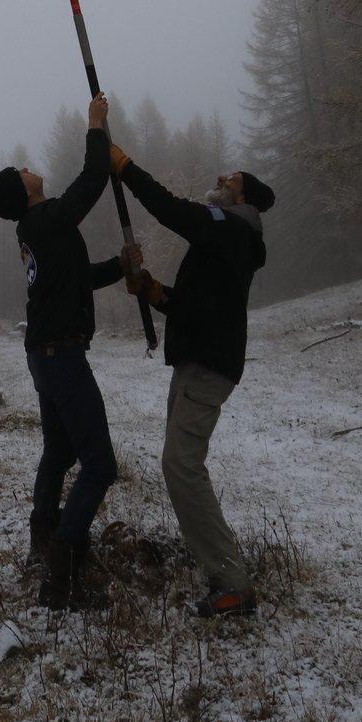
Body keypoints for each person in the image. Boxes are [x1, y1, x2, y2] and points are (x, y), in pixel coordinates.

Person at [0, 93, 126, 609]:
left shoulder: (40, 229)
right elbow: (92, 182)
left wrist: (123, 266)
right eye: (21, 168)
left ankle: (44, 538)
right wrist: (96, 126)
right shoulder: (44, 222)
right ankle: (63, 574)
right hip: (59, 356)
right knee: (99, 464)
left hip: (47, 354)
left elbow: (78, 279)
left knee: (60, 452)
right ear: (21, 188)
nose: (27, 165)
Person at [113, 153, 274, 618]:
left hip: (208, 366)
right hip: (196, 362)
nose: (221, 177)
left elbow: (172, 210)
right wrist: (153, 290)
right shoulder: (227, 237)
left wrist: (123, 166)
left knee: (181, 466)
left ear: (241, 196)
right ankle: (221, 569)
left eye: (232, 178)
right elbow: (195, 305)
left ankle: (232, 582)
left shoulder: (235, 226)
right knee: (179, 466)